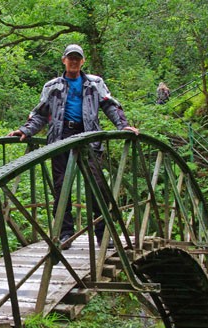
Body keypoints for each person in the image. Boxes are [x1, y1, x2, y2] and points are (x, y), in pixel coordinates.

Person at [8, 44, 139, 249]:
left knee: (97, 186)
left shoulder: (95, 83)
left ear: (83, 61)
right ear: (64, 60)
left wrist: (123, 126)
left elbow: (109, 105)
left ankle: (103, 234)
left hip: (89, 137)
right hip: (61, 137)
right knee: (61, 187)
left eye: (77, 58)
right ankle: (64, 234)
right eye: (71, 58)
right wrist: (25, 131)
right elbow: (41, 114)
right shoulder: (52, 86)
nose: (74, 61)